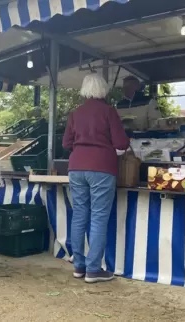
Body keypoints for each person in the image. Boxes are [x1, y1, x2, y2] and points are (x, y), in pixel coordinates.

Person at [63, 73, 129, 283]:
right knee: (99, 217)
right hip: (101, 167)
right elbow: (121, 143)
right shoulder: (109, 112)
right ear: (103, 90)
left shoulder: (76, 113)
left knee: (79, 214)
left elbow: (66, 143)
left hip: (76, 167)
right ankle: (93, 269)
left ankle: (79, 266)